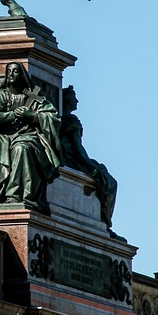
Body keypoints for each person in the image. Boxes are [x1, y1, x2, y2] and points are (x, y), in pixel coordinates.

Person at [0, 63, 61, 213]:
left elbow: (53, 118)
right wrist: (12, 115)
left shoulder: (35, 97)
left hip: (27, 136)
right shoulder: (1, 95)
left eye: (16, 71)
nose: (11, 74)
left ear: (22, 75)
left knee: (21, 149)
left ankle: (15, 196)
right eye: (9, 71)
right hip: (1, 137)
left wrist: (32, 116)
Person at [59, 85, 118, 228]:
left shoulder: (62, 120)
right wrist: (91, 167)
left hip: (66, 157)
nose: (77, 101)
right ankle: (105, 221)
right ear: (67, 100)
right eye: (74, 98)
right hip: (72, 159)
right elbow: (78, 149)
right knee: (110, 181)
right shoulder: (71, 122)